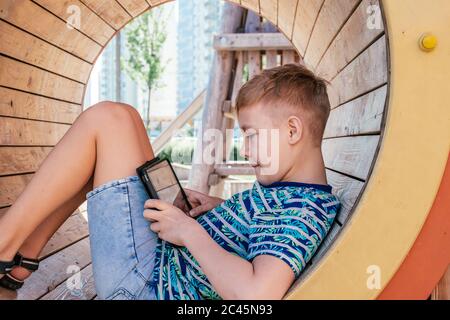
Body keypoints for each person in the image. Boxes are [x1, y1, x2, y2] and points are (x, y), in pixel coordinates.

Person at [0, 64, 340, 300]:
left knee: (108, 119)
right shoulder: (292, 193)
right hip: (159, 269)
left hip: (146, 286)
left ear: (293, 130)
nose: (247, 150)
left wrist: (190, 233)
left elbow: (255, 293)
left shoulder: (301, 208)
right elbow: (265, 233)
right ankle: (22, 262)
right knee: (126, 120)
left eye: (251, 135)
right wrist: (218, 211)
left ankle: (3, 244)